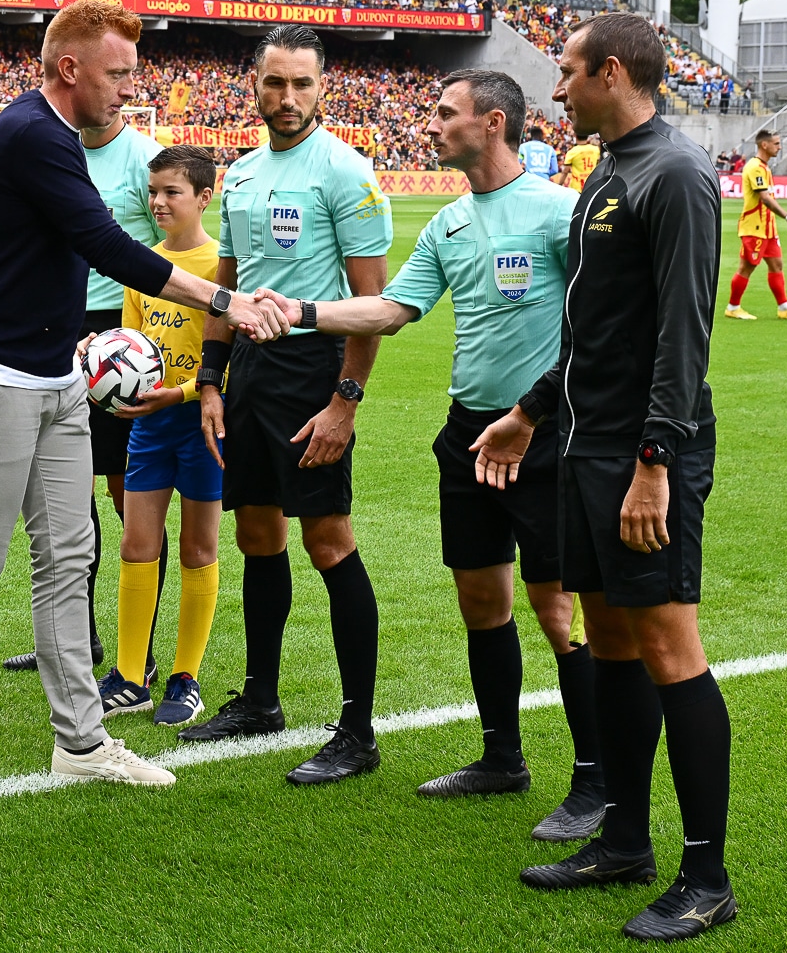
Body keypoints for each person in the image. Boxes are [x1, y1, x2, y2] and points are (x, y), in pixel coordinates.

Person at [0, 0, 285, 788]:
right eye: (119, 72)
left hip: (56, 377)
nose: (131, 87)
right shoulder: (33, 134)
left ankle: (83, 742)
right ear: (71, 69)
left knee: (68, 554)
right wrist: (226, 301)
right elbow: (104, 245)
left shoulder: (53, 136)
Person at [255, 70, 606, 840]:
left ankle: (595, 781)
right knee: (482, 601)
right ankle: (502, 757)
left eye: (445, 112)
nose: (432, 123)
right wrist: (303, 311)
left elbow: (596, 334)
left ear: (492, 122)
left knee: (557, 611)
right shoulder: (449, 222)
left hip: (542, 438)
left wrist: (531, 415)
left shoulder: (557, 214)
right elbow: (392, 309)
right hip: (467, 436)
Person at [473, 12, 736, 941]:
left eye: (569, 73)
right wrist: (534, 409)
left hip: (641, 456)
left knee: (670, 649)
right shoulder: (607, 174)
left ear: (613, 72)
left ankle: (706, 876)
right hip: (582, 447)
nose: (556, 90)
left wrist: (655, 463)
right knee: (616, 644)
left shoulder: (675, 174)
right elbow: (592, 331)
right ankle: (625, 839)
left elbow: (682, 336)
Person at [182, 25, 392, 788]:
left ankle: (358, 730)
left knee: (328, 540)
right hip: (248, 371)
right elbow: (224, 289)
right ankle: (262, 700)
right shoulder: (238, 175)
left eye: (302, 84)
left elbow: (373, 305)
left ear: (322, 87)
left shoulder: (345, 172)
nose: (289, 98)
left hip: (314, 370)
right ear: (256, 83)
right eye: (276, 82)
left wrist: (345, 402)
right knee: (257, 535)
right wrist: (211, 378)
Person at [2, 104, 162, 675]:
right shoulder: (51, 147)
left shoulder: (144, 158)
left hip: (122, 348)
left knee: (130, 498)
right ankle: (80, 639)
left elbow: (167, 245)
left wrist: (137, 337)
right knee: (68, 500)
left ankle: (135, 651)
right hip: (59, 328)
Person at [98, 145, 224, 727]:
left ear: (204, 196)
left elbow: (231, 359)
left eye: (172, 192)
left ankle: (186, 676)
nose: (158, 202)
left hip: (203, 425)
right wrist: (107, 375)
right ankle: (129, 676)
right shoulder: (143, 266)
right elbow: (130, 345)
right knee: (136, 544)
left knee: (199, 549)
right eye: (153, 192)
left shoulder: (222, 266)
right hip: (148, 426)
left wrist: (182, 393)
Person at [725, 129, 787, 321]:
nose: (779, 147)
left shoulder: (763, 167)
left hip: (767, 228)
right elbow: (765, 199)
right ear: (765, 145)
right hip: (754, 227)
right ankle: (733, 307)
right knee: (746, 267)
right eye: (777, 143)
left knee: (776, 265)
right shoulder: (754, 167)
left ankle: (784, 307)